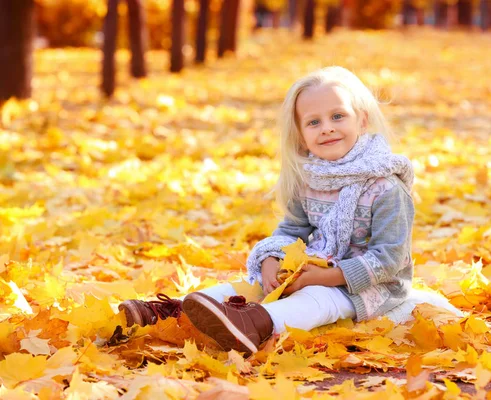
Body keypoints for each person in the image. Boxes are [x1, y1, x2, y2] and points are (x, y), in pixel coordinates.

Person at [119, 66, 461, 356]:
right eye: (313, 122)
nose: (326, 127)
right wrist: (272, 260)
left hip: (372, 286)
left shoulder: (386, 186)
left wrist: (327, 277)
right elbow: (293, 229)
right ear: (299, 133)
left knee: (318, 298)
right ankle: (169, 312)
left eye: (337, 116)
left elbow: (390, 258)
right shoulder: (309, 179)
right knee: (248, 285)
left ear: (362, 120)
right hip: (313, 266)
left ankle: (257, 323)